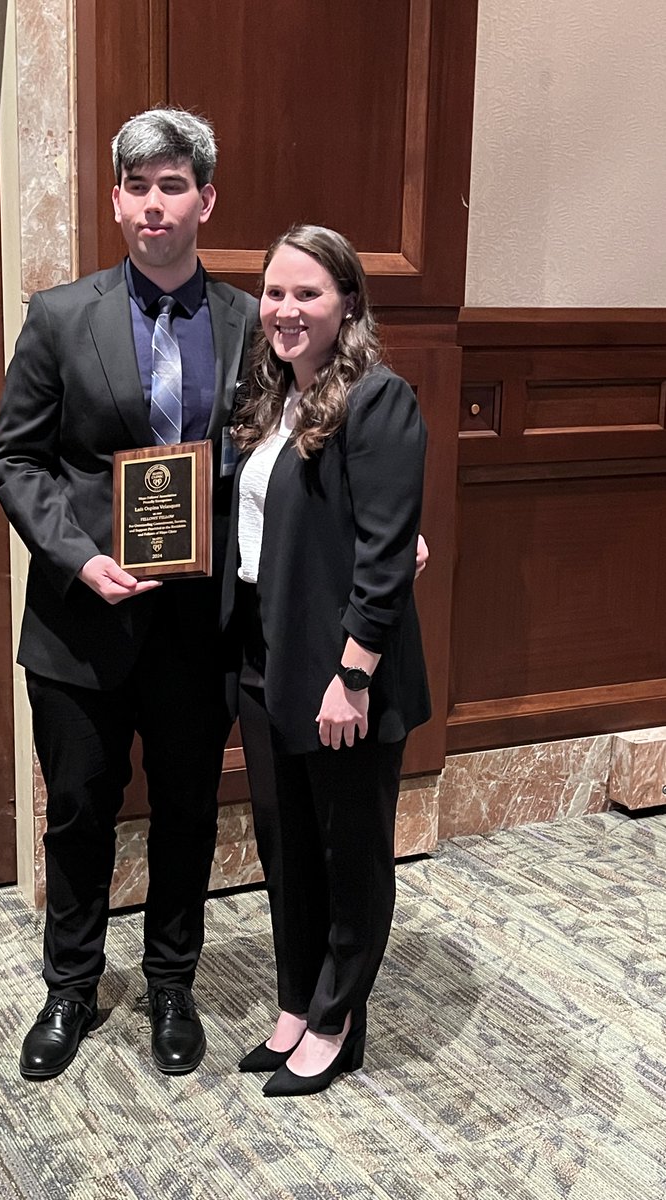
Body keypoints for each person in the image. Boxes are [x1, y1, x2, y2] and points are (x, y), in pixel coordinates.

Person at [0, 108, 259, 1080]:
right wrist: (77, 556)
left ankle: (173, 982)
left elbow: (282, 457)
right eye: (137, 187)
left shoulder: (248, 322)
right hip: (80, 622)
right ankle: (70, 987)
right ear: (115, 201)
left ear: (204, 199)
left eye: (173, 184)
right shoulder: (61, 317)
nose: (155, 204)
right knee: (78, 813)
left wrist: (384, 527)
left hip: (196, 627)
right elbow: (13, 459)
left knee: (187, 809)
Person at [221, 225, 431, 1097]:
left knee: (349, 855)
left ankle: (338, 1017)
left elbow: (386, 556)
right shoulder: (270, 401)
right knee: (287, 848)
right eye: (275, 292)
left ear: (347, 301)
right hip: (266, 665)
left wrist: (353, 676)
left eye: (308, 293)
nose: (286, 309)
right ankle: (294, 1002)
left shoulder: (378, 402)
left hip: (340, 679)